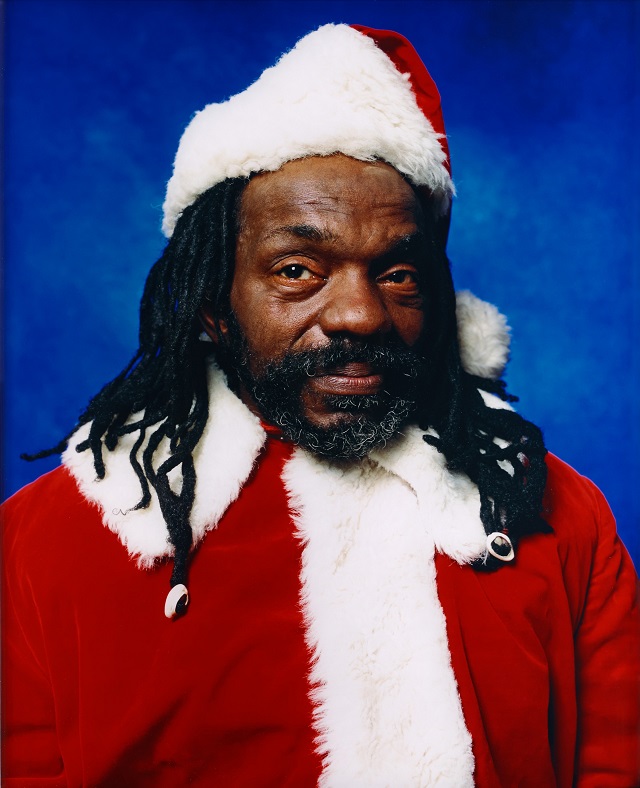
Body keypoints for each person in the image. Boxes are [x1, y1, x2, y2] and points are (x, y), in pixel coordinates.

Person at [2, 23, 638, 788]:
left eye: (398, 273)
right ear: (212, 303)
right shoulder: (42, 543)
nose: (360, 315)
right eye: (298, 269)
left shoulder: (561, 517)